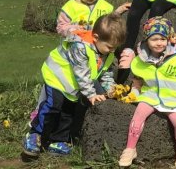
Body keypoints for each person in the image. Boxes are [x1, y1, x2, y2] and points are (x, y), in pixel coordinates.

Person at [22, 13, 126, 159]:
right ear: (96, 38)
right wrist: (91, 94)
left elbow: (105, 73)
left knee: (68, 111)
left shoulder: (106, 52)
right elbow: (81, 73)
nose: (112, 51)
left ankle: (58, 140)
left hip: (71, 85)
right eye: (109, 47)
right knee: (53, 106)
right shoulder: (80, 46)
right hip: (57, 77)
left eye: (115, 47)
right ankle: (35, 134)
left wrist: (111, 89)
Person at [118, 17, 176, 168]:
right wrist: (134, 93)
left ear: (168, 39)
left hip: (173, 98)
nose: (159, 43)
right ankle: (130, 148)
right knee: (139, 114)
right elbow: (138, 79)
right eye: (154, 39)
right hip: (150, 96)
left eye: (162, 39)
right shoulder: (141, 60)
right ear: (147, 40)